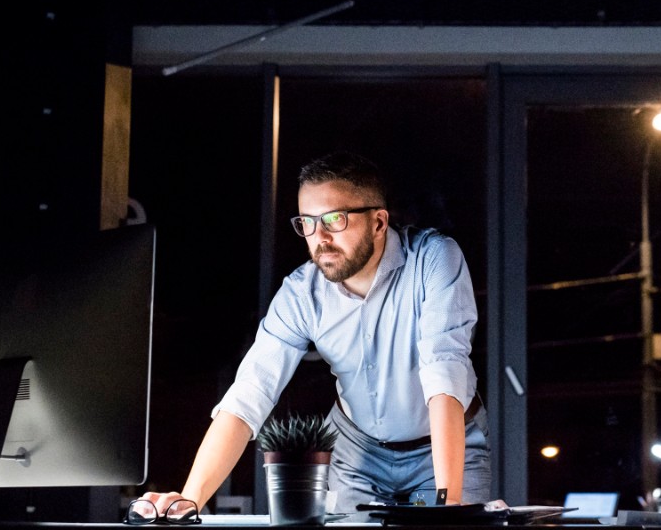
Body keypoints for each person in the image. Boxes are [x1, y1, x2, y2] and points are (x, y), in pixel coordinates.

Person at [139, 151, 490, 514]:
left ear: (379, 223)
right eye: (307, 222)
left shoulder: (434, 259)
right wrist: (190, 499)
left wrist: (448, 509)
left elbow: (444, 370)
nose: (319, 237)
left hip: (443, 444)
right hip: (357, 451)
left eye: (334, 219)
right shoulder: (301, 293)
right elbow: (249, 394)